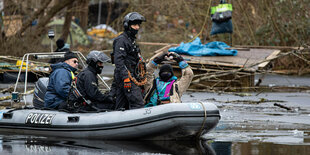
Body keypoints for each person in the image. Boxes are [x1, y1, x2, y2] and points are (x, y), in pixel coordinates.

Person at [112, 12, 146, 110]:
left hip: (132, 75)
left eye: (138, 25)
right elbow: (119, 61)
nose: (137, 27)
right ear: (127, 25)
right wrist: (126, 77)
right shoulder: (121, 40)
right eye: (134, 25)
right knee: (138, 102)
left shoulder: (131, 40)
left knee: (121, 103)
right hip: (126, 77)